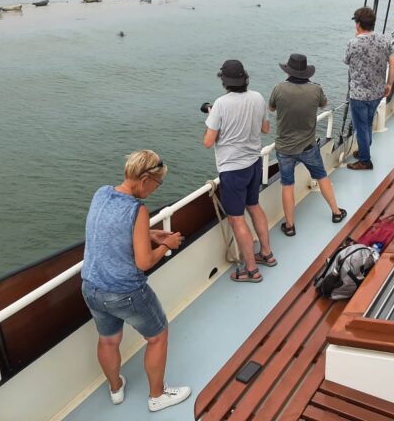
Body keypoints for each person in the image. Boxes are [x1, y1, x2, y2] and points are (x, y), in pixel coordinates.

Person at [81, 150, 191, 412]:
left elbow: (111, 229)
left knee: (108, 340)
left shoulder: (102, 193)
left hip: (92, 287)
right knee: (158, 336)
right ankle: (157, 396)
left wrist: (150, 234)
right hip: (125, 292)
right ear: (144, 179)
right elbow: (143, 263)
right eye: (156, 183)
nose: (155, 189)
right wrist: (168, 245)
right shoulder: (137, 209)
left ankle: (116, 388)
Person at [204, 59, 274, 283]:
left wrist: (212, 115)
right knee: (254, 206)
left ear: (224, 81)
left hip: (232, 170)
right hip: (254, 163)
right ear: (245, 78)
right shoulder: (257, 97)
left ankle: (251, 270)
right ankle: (266, 253)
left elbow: (208, 141)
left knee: (236, 219)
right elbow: (265, 128)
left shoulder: (221, 104)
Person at [268, 54, 347, 236]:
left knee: (287, 185)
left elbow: (271, 108)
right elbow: (324, 104)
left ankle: (289, 226)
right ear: (306, 72)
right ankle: (335, 212)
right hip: (308, 146)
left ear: (288, 71)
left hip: (285, 148)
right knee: (322, 177)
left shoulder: (279, 89)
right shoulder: (315, 89)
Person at [344, 7, 394, 170]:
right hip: (377, 91)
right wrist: (389, 83)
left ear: (358, 24)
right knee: (367, 123)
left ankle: (365, 160)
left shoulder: (353, 43)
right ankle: (363, 151)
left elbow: (346, 60)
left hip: (359, 94)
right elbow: (393, 62)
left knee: (361, 127)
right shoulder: (384, 40)